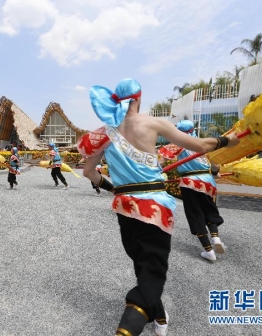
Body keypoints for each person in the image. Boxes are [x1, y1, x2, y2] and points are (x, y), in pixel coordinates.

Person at [78, 78, 240, 336]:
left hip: (124, 207)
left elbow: (89, 171)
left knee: (143, 265)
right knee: (152, 269)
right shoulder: (153, 123)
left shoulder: (103, 135)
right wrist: (225, 140)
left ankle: (161, 317)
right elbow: (200, 146)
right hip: (154, 207)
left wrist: (113, 189)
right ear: (139, 98)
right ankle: (128, 328)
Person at [158, 120, 227, 262]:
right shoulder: (201, 143)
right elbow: (214, 167)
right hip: (208, 182)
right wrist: (215, 174)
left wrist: (154, 172)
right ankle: (216, 237)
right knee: (209, 210)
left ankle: (209, 251)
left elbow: (161, 162)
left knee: (195, 214)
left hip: (190, 182)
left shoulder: (178, 143)